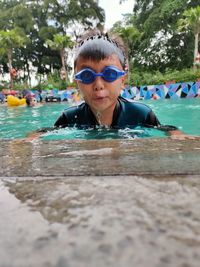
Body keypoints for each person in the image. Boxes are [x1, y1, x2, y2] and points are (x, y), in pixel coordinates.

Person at [54, 33, 162, 130]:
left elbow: (172, 135)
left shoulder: (141, 114)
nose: (98, 85)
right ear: (77, 83)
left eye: (110, 74)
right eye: (87, 75)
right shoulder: (68, 118)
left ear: (122, 80)